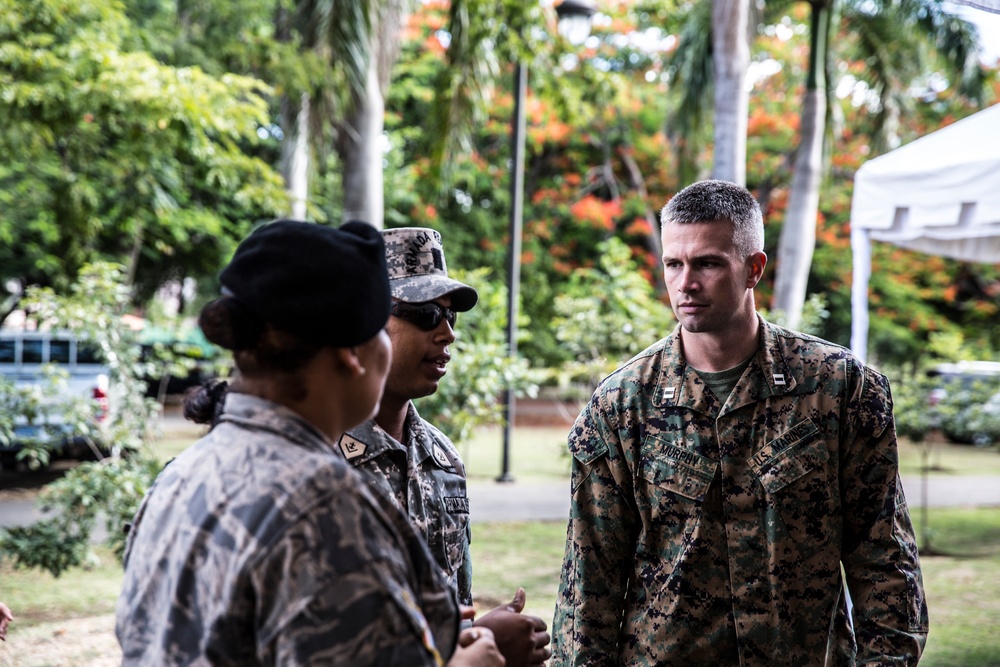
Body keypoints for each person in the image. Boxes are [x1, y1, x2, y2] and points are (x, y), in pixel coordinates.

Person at [551, 180, 929, 666]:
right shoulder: (622, 405)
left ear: (754, 268)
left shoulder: (839, 389)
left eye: (707, 263)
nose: (686, 283)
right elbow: (589, 583)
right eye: (673, 264)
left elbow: (885, 560)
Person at [116, 220, 503, 667]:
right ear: (350, 352)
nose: (447, 334)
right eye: (391, 322)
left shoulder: (178, 477)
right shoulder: (328, 506)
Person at [339, 227, 551, 667]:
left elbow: (454, 602)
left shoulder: (442, 456)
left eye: (451, 317)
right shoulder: (317, 459)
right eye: (426, 315)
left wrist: (481, 636)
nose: (447, 334)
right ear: (364, 319)